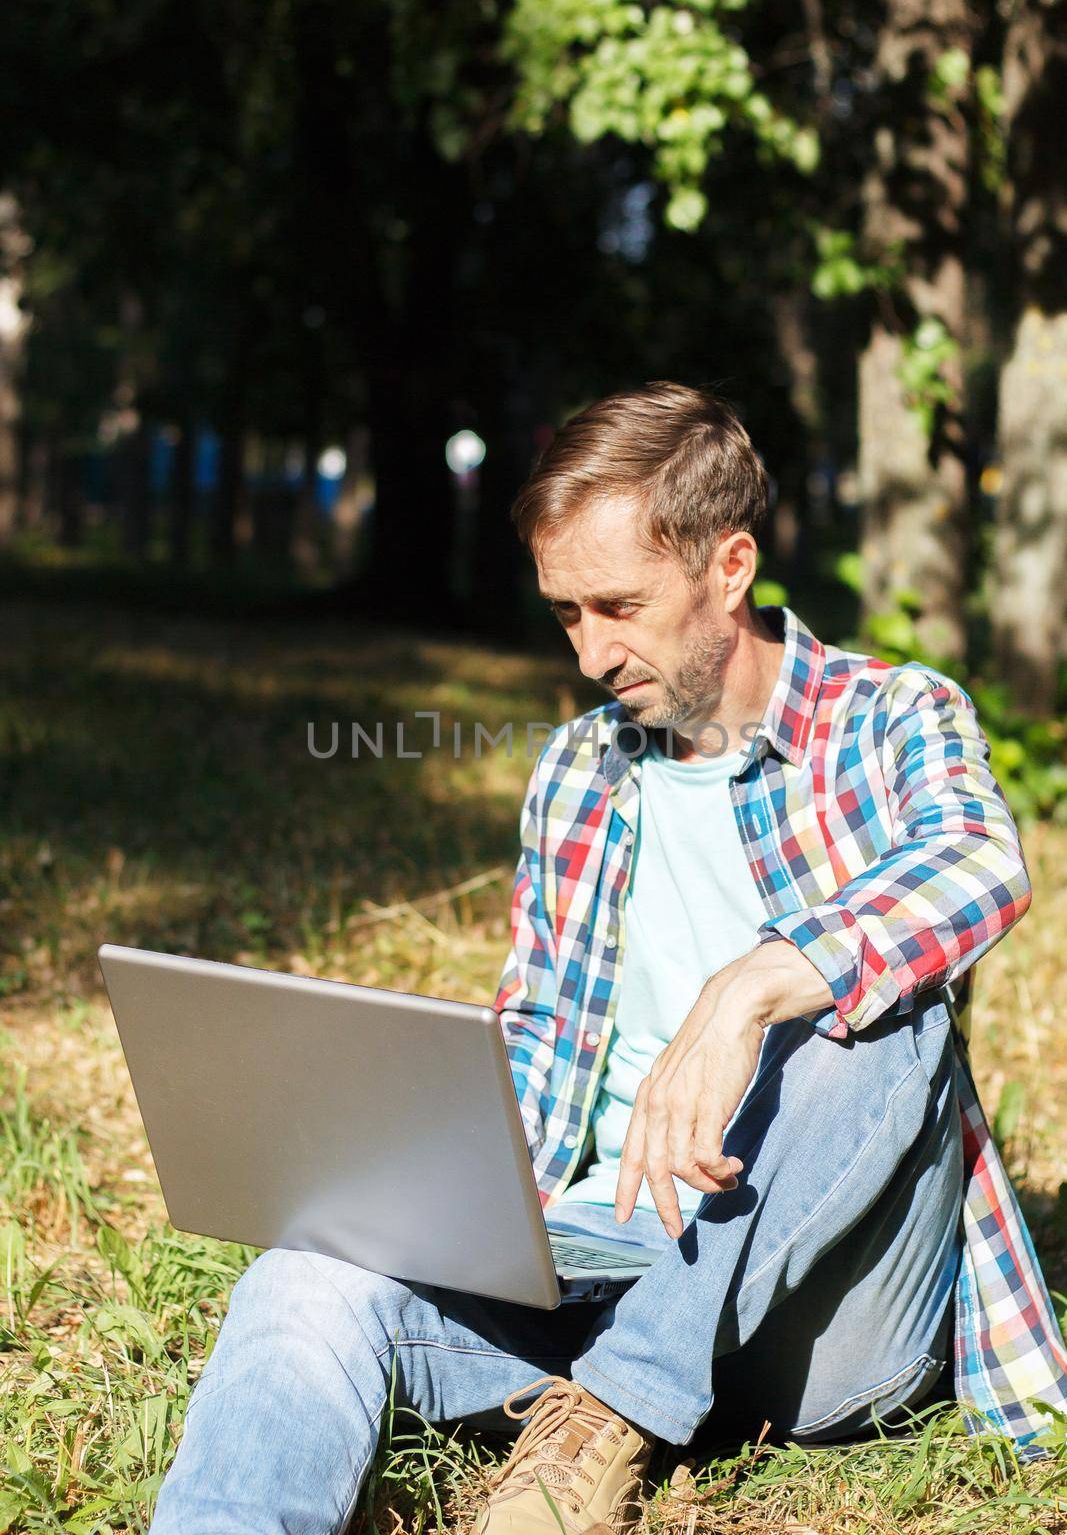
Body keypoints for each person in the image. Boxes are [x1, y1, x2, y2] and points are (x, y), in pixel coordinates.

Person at [150, 384, 1067, 1535]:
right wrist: (426, 1186)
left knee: (881, 1018)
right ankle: (594, 1392)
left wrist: (744, 990)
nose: (590, 651)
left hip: (819, 1320)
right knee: (305, 1269)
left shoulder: (892, 716)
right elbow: (541, 1032)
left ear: (727, 566)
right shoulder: (580, 769)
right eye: (565, 613)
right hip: (597, 1266)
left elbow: (982, 861)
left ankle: (618, 1401)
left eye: (618, 606)